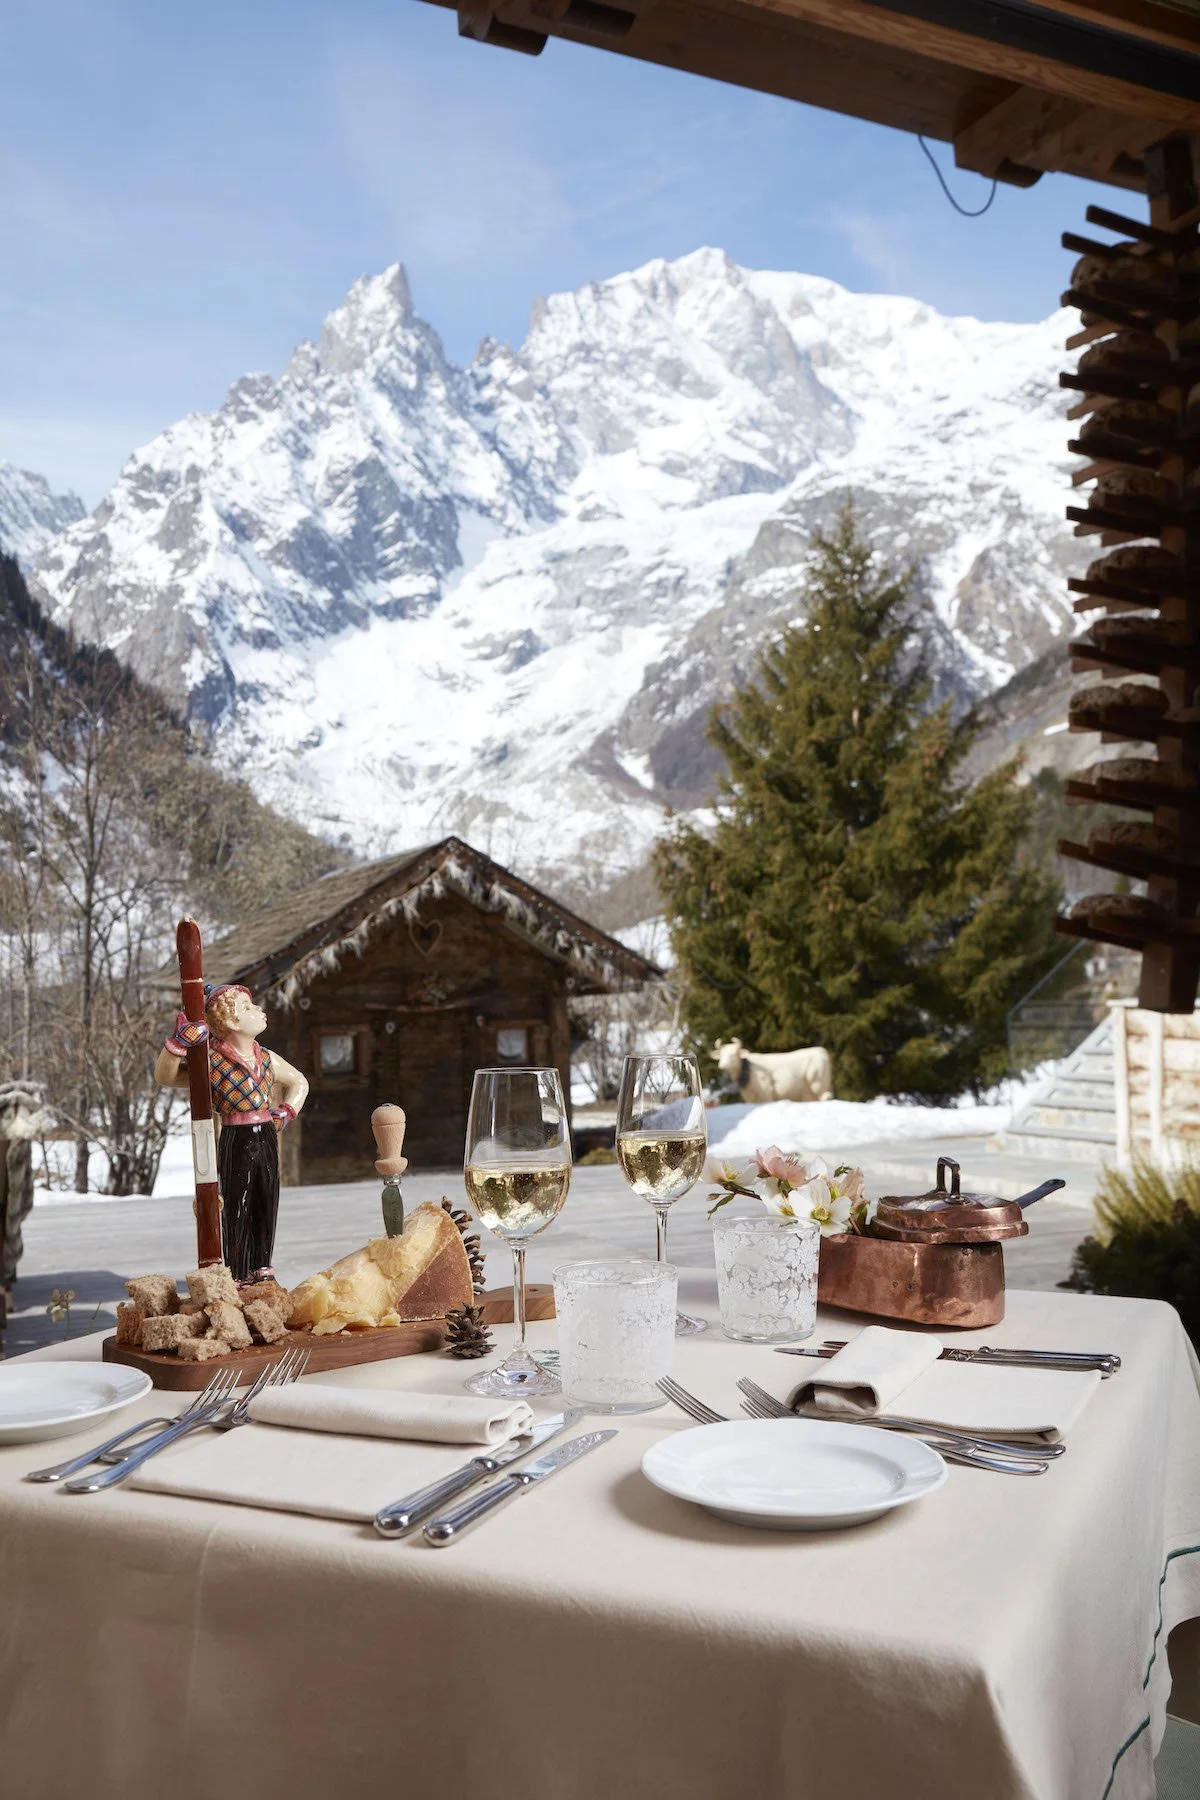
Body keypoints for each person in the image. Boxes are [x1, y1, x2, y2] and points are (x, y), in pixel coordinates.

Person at [155, 983, 308, 1283]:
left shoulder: (266, 1058)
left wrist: (285, 1111)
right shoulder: (210, 1061)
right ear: (232, 1021)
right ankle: (237, 1272)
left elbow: (299, 1082)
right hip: (235, 1137)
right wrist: (177, 1046)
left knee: (267, 1197)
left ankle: (263, 1266)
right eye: (249, 1008)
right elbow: (166, 1076)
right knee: (238, 1203)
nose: (259, 1011)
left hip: (265, 1133)